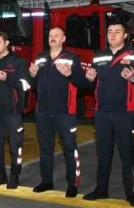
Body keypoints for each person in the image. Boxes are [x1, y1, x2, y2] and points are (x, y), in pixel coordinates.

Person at [84, 20, 134, 207]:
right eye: (110, 31)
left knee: (128, 155)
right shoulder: (99, 55)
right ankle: (101, 189)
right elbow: (92, 81)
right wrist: (88, 79)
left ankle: (132, 193)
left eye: (117, 31)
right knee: (103, 155)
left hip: (125, 113)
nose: (112, 35)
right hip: (102, 113)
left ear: (125, 35)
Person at [29, 26, 90, 198]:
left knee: (70, 148)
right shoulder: (41, 58)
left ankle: (73, 184)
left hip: (65, 112)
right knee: (45, 148)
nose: (52, 38)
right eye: (50, 35)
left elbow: (83, 84)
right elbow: (33, 87)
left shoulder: (72, 58)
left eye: (57, 35)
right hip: (43, 112)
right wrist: (32, 75)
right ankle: (47, 181)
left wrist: (70, 73)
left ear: (64, 39)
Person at [0, 31, 31, 189]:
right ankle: (0, 175)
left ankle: (14, 176)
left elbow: (26, 85)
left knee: (15, 147)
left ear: (6, 43)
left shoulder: (18, 62)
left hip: (13, 113)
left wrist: (7, 79)